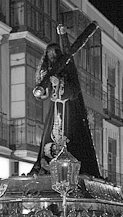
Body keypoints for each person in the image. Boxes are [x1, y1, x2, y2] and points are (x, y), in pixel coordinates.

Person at [28, 24, 101, 178]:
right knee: (51, 138)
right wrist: (44, 87)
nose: (52, 56)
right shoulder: (48, 70)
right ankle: (47, 164)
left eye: (54, 53)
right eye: (49, 54)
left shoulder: (67, 66)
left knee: (72, 137)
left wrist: (59, 82)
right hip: (55, 109)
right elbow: (43, 92)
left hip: (69, 108)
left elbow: (73, 88)